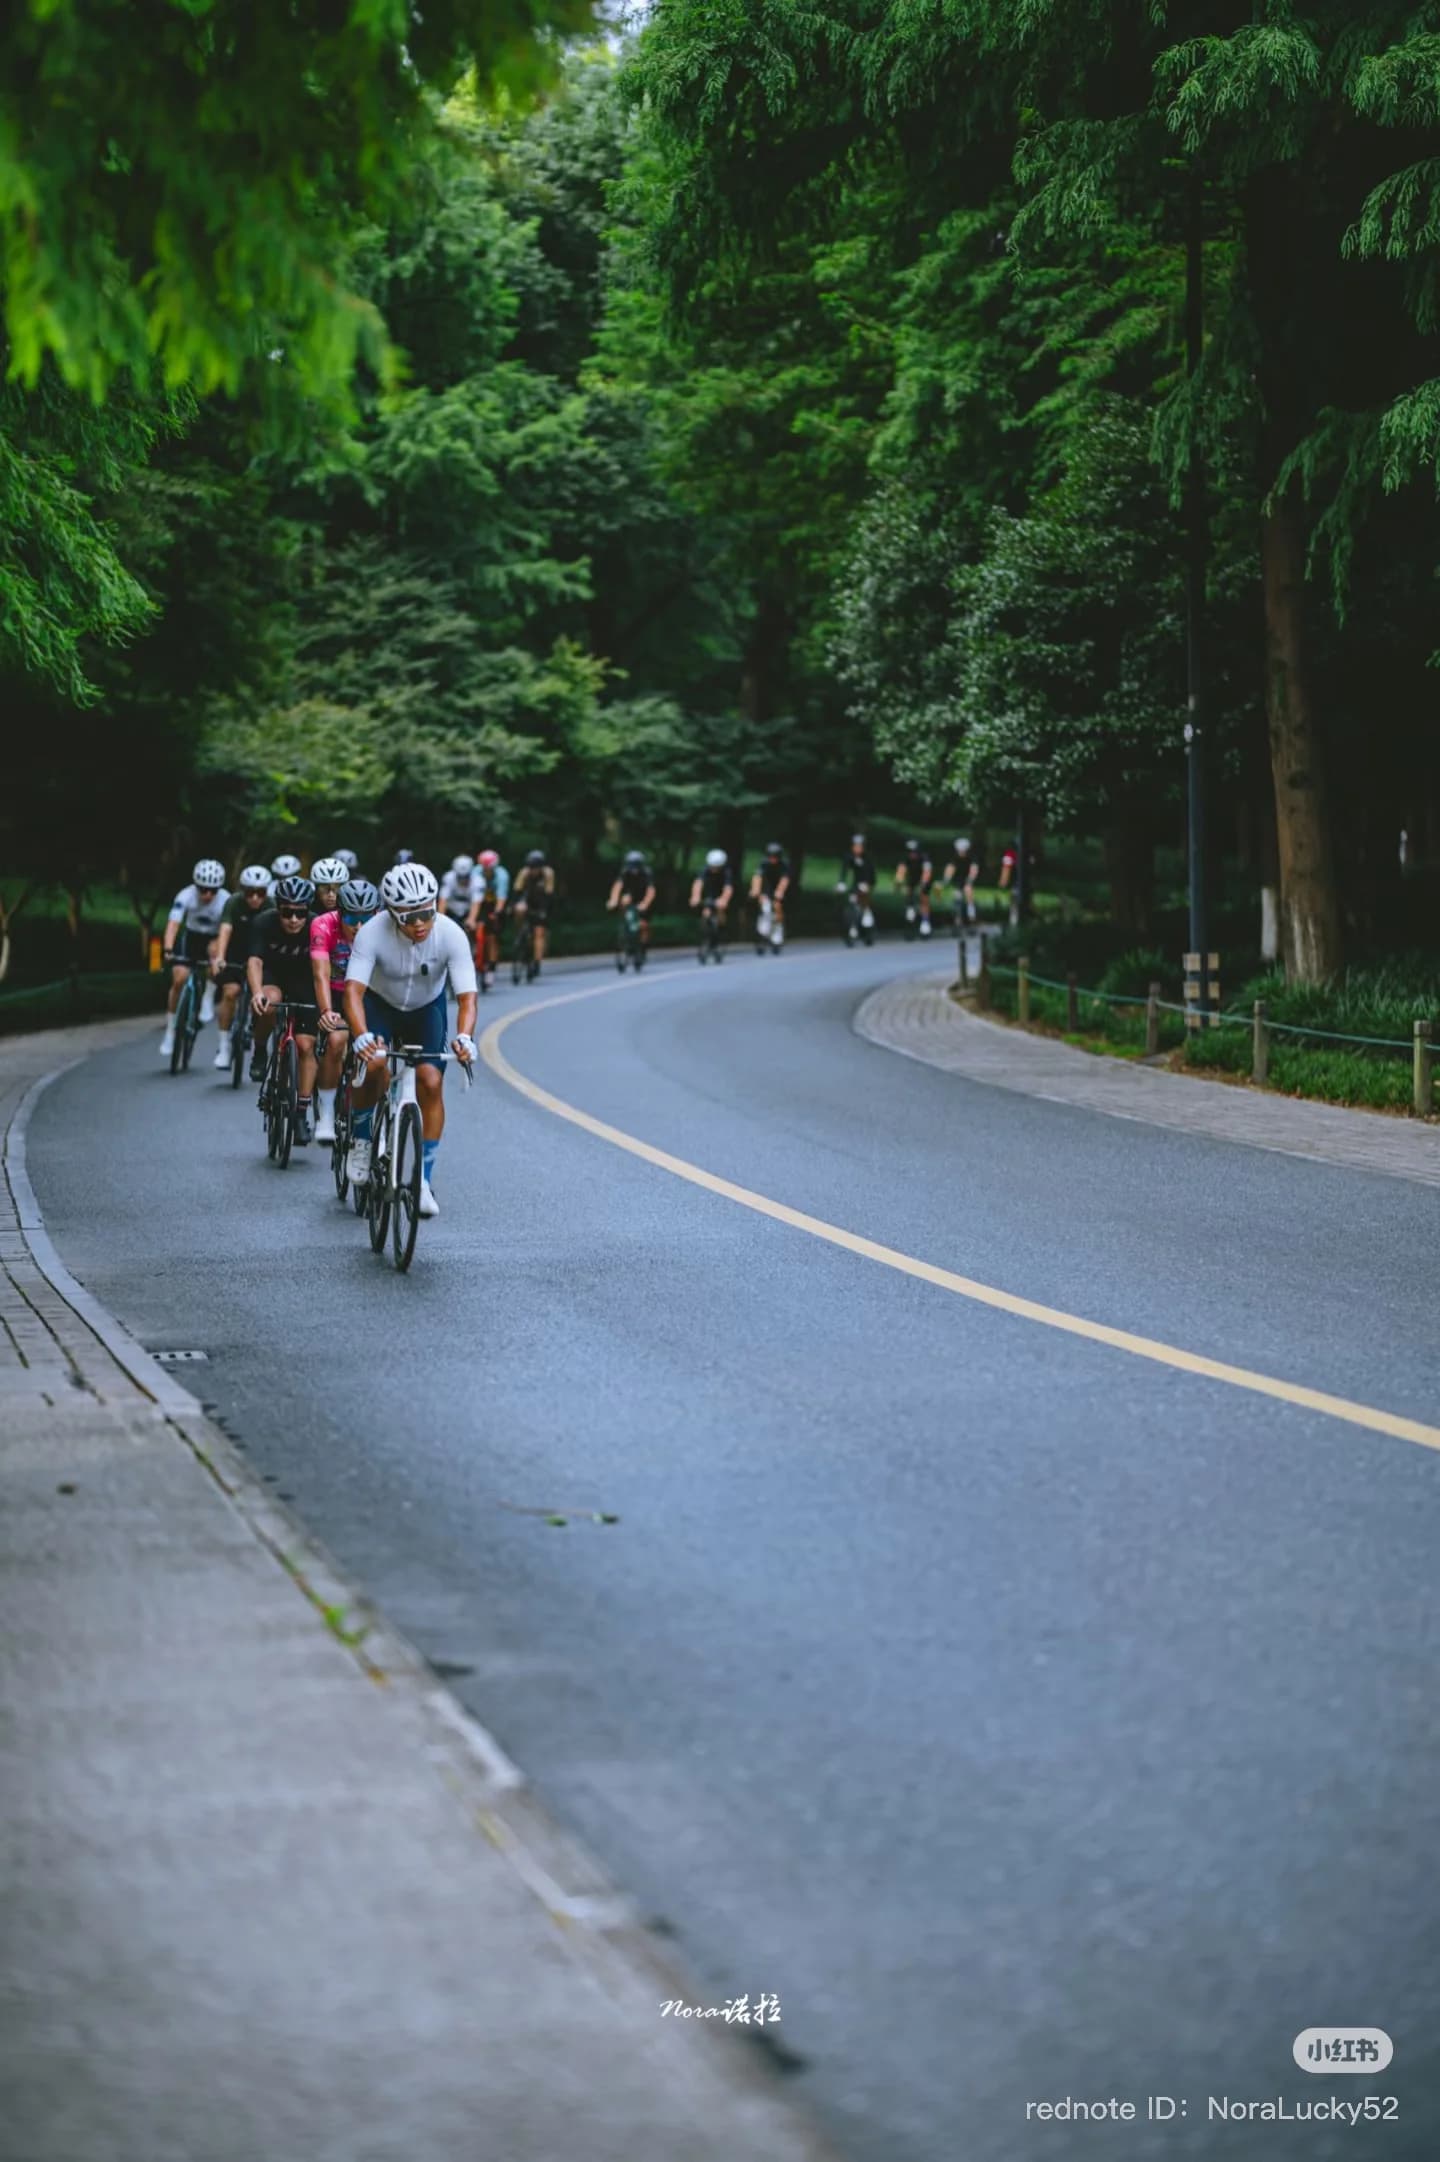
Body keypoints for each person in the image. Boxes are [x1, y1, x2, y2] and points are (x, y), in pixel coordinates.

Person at [342, 862, 477, 1219]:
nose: (419, 923)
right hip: (380, 1004)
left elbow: (467, 997)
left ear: (435, 905)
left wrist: (464, 1037)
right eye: (407, 916)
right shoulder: (372, 932)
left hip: (425, 1009)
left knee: (430, 1081)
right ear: (390, 913)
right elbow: (353, 992)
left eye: (425, 913)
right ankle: (361, 1139)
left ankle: (423, 1182)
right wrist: (360, 1035)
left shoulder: (451, 934)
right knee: (375, 1065)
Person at [245, 874, 320, 1142]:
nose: (293, 919)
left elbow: (323, 968)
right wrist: (256, 994)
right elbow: (254, 961)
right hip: (273, 976)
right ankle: (260, 1049)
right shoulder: (263, 922)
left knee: (305, 1046)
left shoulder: (315, 926)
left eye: (300, 913)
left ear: (307, 910)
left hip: (304, 982)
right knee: (269, 1003)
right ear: (278, 909)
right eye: (287, 912)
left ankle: (300, 1113)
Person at [309, 876, 378, 1144]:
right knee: (337, 1039)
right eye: (351, 920)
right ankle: (325, 1113)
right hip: (335, 994)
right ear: (340, 914)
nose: (358, 927)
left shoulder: (384, 926)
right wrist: (326, 1011)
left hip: (368, 995)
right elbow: (320, 974)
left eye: (365, 920)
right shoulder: (323, 925)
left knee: (377, 1046)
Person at [159, 859, 229, 1058]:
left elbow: (228, 930)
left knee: (215, 954)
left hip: (214, 939)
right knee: (179, 978)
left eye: (213, 890)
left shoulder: (225, 899)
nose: (207, 894)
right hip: (190, 938)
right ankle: (171, 1031)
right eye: (203, 889)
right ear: (196, 886)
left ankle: (208, 996)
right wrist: (168, 949)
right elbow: (173, 924)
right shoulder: (186, 895)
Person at [210, 865, 270, 1067]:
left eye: (260, 892)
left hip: (260, 956)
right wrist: (219, 957)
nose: (254, 898)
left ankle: (255, 1039)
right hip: (235, 953)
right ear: (242, 891)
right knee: (230, 993)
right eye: (250, 892)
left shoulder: (271, 905)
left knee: (262, 998)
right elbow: (225, 929)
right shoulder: (233, 902)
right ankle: (224, 1046)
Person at [467, 848, 509, 985]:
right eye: (484, 868)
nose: (486, 871)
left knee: (492, 935)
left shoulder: (502, 876)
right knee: (471, 925)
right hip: (479, 903)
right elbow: (472, 895)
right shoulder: (475, 872)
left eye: (489, 869)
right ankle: (473, 950)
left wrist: (497, 913)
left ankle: (491, 967)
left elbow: (501, 898)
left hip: (495, 903)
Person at [512, 848, 555, 975]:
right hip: (527, 900)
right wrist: (513, 906)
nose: (534, 870)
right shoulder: (524, 873)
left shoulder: (548, 874)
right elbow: (517, 891)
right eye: (532, 867)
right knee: (519, 910)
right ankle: (520, 933)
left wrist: (544, 911)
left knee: (539, 932)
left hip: (541, 903)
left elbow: (549, 895)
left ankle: (537, 961)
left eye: (536, 867)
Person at [607, 850, 656, 948]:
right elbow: (617, 886)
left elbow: (651, 891)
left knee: (643, 924)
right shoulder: (625, 872)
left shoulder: (647, 873)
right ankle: (626, 926)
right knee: (625, 900)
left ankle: (642, 945)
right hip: (631, 895)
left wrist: (645, 903)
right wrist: (613, 900)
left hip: (643, 897)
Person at [749, 840, 791, 951]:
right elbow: (757, 877)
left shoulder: (784, 865)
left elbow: (784, 880)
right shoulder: (763, 863)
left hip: (778, 888)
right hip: (766, 888)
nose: (773, 859)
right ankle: (763, 933)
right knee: (765, 908)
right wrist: (755, 890)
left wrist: (780, 892)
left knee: (777, 908)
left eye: (775, 857)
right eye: (771, 856)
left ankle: (778, 934)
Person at [895, 837, 935, 937]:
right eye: (910, 852)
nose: (912, 854)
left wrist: (923, 883)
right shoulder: (905, 858)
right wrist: (899, 881)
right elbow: (901, 871)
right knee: (909, 894)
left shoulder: (925, 858)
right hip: (912, 879)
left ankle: (925, 922)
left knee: (923, 898)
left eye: (914, 852)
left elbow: (927, 873)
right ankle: (910, 913)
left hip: (924, 879)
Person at [839, 833, 876, 936]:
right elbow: (844, 870)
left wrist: (867, 884)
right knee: (852, 898)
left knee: (864, 896)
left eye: (859, 846)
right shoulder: (849, 856)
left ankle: (867, 912)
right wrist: (841, 882)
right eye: (855, 846)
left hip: (868, 880)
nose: (857, 848)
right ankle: (852, 924)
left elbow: (870, 872)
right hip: (856, 881)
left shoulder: (867, 857)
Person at [944, 837, 979, 926]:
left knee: (968, 891)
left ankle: (971, 915)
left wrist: (970, 879)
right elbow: (950, 869)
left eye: (963, 851)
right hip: (957, 880)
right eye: (960, 851)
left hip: (967, 879)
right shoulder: (954, 858)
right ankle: (957, 918)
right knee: (957, 897)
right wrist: (947, 879)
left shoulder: (972, 857)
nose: (961, 852)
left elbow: (974, 869)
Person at [690, 848, 733, 920]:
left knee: (721, 912)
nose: (713, 869)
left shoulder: (727, 872)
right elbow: (698, 883)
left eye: (716, 867)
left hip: (722, 894)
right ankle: (704, 928)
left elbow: (728, 888)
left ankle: (722, 928)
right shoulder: (705, 869)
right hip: (711, 893)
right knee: (706, 913)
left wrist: (724, 899)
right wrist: (695, 896)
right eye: (712, 866)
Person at [439, 854, 481, 925]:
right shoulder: (448, 877)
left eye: (466, 876)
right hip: (451, 911)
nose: (463, 880)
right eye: (460, 877)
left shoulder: (478, 881)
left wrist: (471, 919)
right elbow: (443, 900)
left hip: (468, 912)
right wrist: (440, 919)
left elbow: (476, 903)